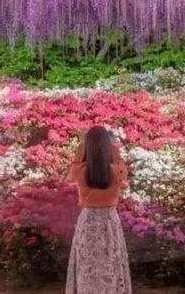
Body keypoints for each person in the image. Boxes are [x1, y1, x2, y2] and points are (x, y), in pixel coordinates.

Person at [65, 125, 132, 294]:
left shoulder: (79, 170)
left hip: (88, 221)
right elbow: (122, 169)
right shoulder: (117, 170)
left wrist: (83, 147)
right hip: (109, 220)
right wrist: (113, 148)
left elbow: (72, 170)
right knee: (111, 264)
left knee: (87, 267)